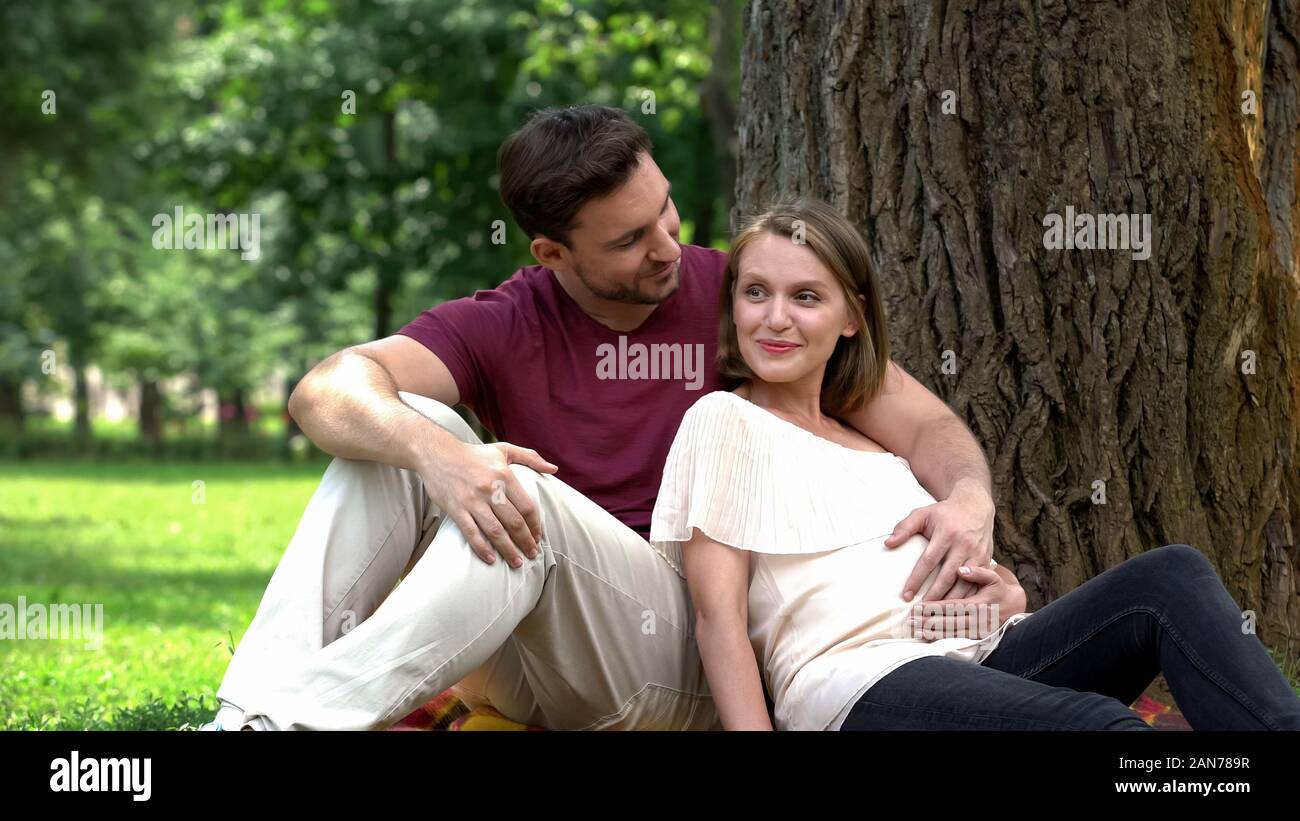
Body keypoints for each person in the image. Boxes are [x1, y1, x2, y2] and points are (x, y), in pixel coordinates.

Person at [205, 105, 1023, 731]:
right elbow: (325, 389)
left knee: (521, 498)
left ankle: (289, 721)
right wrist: (438, 455)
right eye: (632, 239)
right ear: (552, 254)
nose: (668, 246)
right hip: (532, 649)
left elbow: (927, 426)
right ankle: (246, 716)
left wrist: (969, 500)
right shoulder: (505, 322)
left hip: (685, 655)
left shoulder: (734, 299)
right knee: (401, 423)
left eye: (666, 211)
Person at [649, 198, 1300, 731]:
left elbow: (953, 564)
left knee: (1170, 577)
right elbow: (719, 619)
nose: (775, 319)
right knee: (1098, 728)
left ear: (851, 315)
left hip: (986, 657)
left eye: (806, 297)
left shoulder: (870, 437)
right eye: (756, 292)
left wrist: (1001, 593)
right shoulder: (725, 420)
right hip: (860, 680)